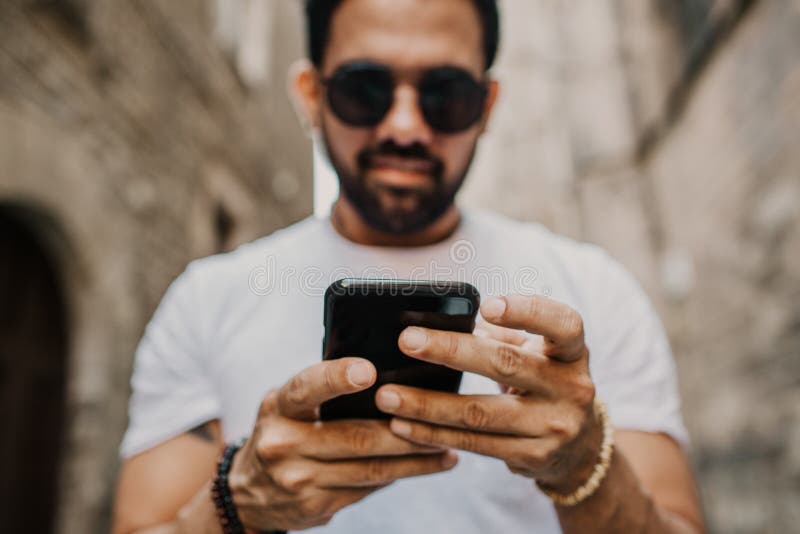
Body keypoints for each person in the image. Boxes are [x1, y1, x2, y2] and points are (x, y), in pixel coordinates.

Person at [112, 0, 705, 532]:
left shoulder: (594, 292)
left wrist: (585, 469)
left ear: (487, 105)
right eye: (364, 89)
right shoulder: (205, 300)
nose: (404, 126)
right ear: (311, 95)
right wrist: (237, 503)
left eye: (445, 94)